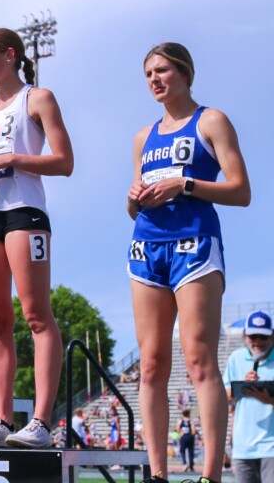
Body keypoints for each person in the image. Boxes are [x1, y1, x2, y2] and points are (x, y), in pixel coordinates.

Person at [127, 42, 251, 483]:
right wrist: (133, 199)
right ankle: (158, 473)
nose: (154, 80)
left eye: (162, 70)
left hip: (195, 243)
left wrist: (186, 184)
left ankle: (210, 475)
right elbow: (135, 206)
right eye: (148, 74)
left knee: (199, 360)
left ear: (184, 72)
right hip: (147, 247)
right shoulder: (143, 136)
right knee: (150, 364)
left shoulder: (211, 120)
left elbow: (241, 191)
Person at [0, 28, 73, 449]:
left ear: (9, 55)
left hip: (25, 212)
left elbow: (64, 162)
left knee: (36, 315)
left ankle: (41, 422)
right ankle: (1, 420)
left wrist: (13, 157)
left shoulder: (37, 98)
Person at [223, 310, 274, 483]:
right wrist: (243, 385)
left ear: (272, 336)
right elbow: (223, 396)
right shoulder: (236, 358)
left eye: (263, 336)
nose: (257, 341)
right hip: (243, 448)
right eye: (253, 336)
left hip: (271, 448)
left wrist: (268, 400)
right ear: (245, 335)